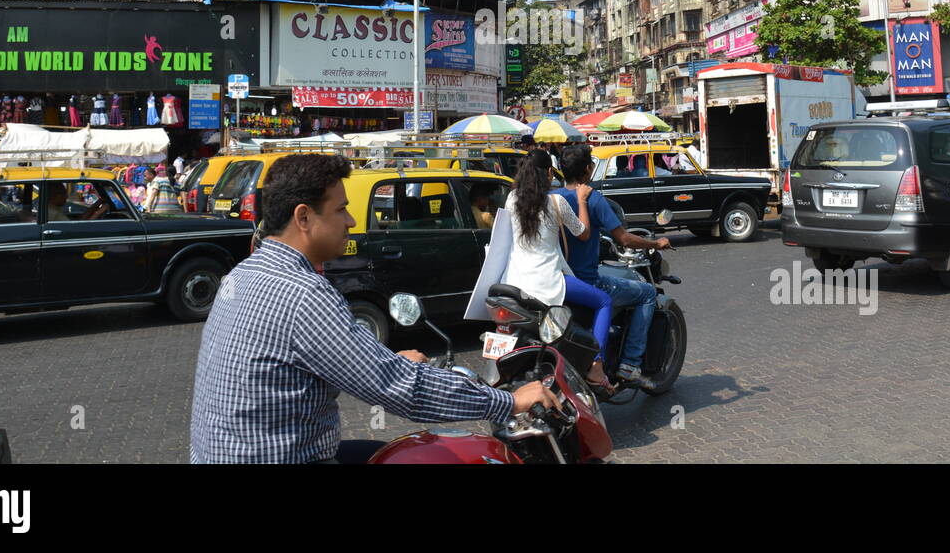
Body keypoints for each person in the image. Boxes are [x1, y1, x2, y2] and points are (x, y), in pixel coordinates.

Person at [190, 153, 559, 463]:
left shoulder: (246, 271)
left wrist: (393, 365)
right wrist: (507, 401)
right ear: (303, 218)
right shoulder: (302, 292)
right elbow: (395, 389)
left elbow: (345, 362)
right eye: (341, 210)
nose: (351, 221)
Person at [558, 144, 671, 391]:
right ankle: (630, 364)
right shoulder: (592, 198)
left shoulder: (554, 198)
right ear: (588, 169)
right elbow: (624, 239)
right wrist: (656, 243)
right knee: (647, 293)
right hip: (587, 282)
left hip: (559, 283)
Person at [503, 149, 614, 389]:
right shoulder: (556, 202)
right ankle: (596, 365)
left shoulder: (512, 199)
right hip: (548, 281)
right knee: (604, 301)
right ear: (551, 173)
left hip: (514, 283)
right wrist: (582, 201)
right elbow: (583, 233)